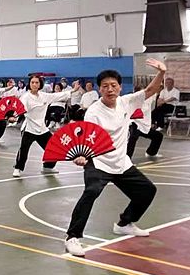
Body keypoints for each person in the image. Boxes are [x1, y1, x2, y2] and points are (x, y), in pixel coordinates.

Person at [63, 59, 166, 257]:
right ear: (99, 89)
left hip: (121, 162)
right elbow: (86, 137)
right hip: (99, 161)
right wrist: (82, 156)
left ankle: (124, 223)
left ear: (120, 87)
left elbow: (151, 90)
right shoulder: (93, 112)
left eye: (113, 85)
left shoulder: (127, 102)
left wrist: (161, 72)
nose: (109, 89)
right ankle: (72, 237)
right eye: (105, 86)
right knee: (91, 192)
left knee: (147, 191)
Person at [13, 75, 70, 177]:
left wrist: (73, 90)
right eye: (32, 82)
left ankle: (48, 166)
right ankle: (18, 168)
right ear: (29, 84)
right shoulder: (25, 97)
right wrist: (14, 117)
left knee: (55, 148)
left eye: (37, 82)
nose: (34, 84)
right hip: (29, 128)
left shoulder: (44, 96)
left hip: (42, 129)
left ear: (40, 84)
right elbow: (20, 108)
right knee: (23, 150)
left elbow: (58, 96)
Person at [127, 85, 163, 159]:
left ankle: (151, 153)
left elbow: (157, 88)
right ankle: (127, 159)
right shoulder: (133, 100)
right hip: (134, 124)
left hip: (144, 126)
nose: (145, 93)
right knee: (132, 139)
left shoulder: (149, 98)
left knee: (158, 136)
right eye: (142, 92)